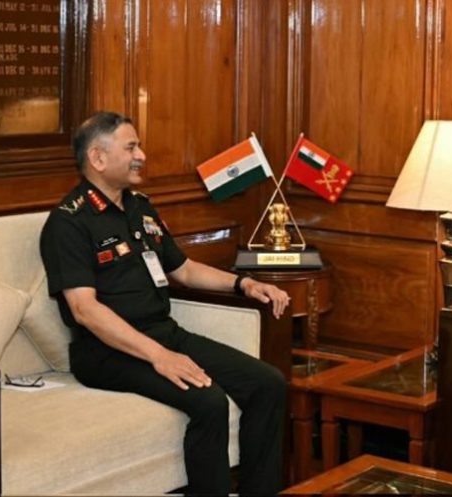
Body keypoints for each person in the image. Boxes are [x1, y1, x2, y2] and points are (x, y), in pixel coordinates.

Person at [40, 111, 291, 495]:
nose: (141, 155)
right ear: (98, 158)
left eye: (139, 146)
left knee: (268, 384)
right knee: (209, 401)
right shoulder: (69, 222)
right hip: (105, 352)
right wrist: (159, 356)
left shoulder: (139, 207)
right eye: (131, 147)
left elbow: (184, 270)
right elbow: (84, 310)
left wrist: (244, 284)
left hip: (163, 333)